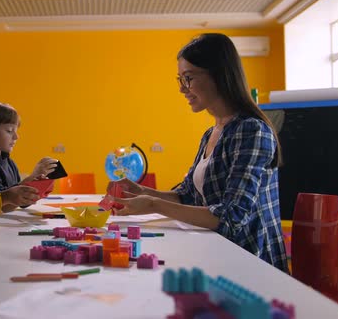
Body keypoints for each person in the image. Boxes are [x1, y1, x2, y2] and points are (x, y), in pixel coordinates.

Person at [108, 33, 288, 272]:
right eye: (180, 79)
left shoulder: (252, 131)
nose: (183, 89)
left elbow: (231, 218)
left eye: (189, 78)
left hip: (251, 263)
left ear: (219, 75)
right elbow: (188, 195)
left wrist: (153, 203)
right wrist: (142, 191)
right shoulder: (211, 133)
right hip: (216, 252)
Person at [0, 100, 57, 190]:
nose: (16, 137)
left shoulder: (9, 163)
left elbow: (18, 202)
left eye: (16, 131)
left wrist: (38, 185)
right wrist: (32, 177)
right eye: (9, 131)